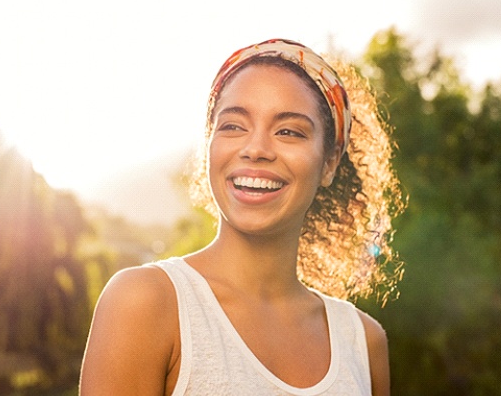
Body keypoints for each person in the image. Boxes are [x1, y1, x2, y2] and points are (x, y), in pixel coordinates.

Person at [79, 38, 404, 395]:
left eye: (288, 131)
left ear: (329, 163)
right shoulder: (145, 302)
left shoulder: (363, 342)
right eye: (233, 126)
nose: (256, 149)